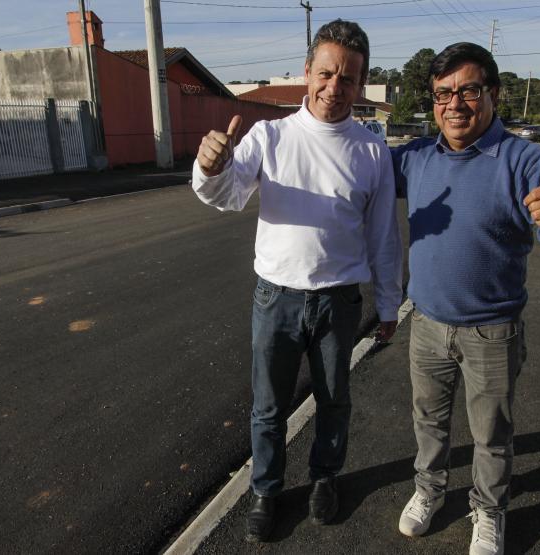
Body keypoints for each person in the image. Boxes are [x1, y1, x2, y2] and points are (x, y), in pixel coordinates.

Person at [191, 19, 402, 543]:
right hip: (276, 299)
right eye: (326, 73)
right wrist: (209, 167)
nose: (335, 87)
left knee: (334, 402)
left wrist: (391, 305)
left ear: (361, 83)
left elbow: (382, 238)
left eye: (348, 79)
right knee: (268, 408)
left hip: (338, 304)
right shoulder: (271, 135)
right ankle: (265, 490)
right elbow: (227, 194)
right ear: (307, 72)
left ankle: (325, 479)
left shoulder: (371, 151)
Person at [392, 43, 540, 555]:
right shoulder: (416, 158)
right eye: (443, 93)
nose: (455, 104)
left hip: (492, 331)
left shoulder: (525, 160)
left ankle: (488, 510)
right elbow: (353, 167)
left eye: (469, 90)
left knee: (491, 435)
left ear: (493, 94)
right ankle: (429, 490)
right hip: (425, 324)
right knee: (428, 422)